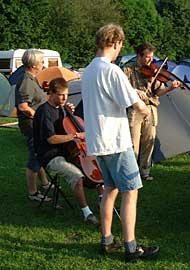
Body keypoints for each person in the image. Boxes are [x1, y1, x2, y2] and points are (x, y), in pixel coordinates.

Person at [82, 24, 159, 262]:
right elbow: (136, 104)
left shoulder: (88, 70)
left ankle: (106, 240)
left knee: (110, 189)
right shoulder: (112, 70)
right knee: (130, 192)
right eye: (120, 45)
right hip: (115, 141)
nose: (119, 49)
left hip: (97, 141)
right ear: (115, 43)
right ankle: (131, 247)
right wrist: (146, 107)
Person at [33, 78, 100, 227]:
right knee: (77, 176)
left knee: (97, 165)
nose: (64, 98)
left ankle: (104, 199)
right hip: (50, 156)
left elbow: (65, 126)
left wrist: (69, 112)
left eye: (66, 95)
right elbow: (51, 139)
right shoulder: (44, 112)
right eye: (61, 95)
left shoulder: (61, 108)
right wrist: (76, 136)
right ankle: (87, 213)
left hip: (67, 152)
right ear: (51, 94)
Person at [123, 43, 181, 181]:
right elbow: (121, 88)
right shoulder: (127, 69)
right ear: (139, 56)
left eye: (152, 57)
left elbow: (158, 91)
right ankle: (131, 172)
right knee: (133, 142)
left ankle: (145, 171)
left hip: (150, 109)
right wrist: (135, 92)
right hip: (134, 109)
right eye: (147, 57)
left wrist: (170, 89)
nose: (150, 61)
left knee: (149, 141)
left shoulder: (153, 71)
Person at [15, 49, 51, 202]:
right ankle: (33, 193)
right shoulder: (26, 81)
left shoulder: (32, 78)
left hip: (35, 124)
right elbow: (23, 106)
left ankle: (44, 183)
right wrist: (39, 118)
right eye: (42, 61)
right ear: (34, 64)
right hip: (32, 125)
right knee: (35, 157)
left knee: (39, 153)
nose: (43, 64)